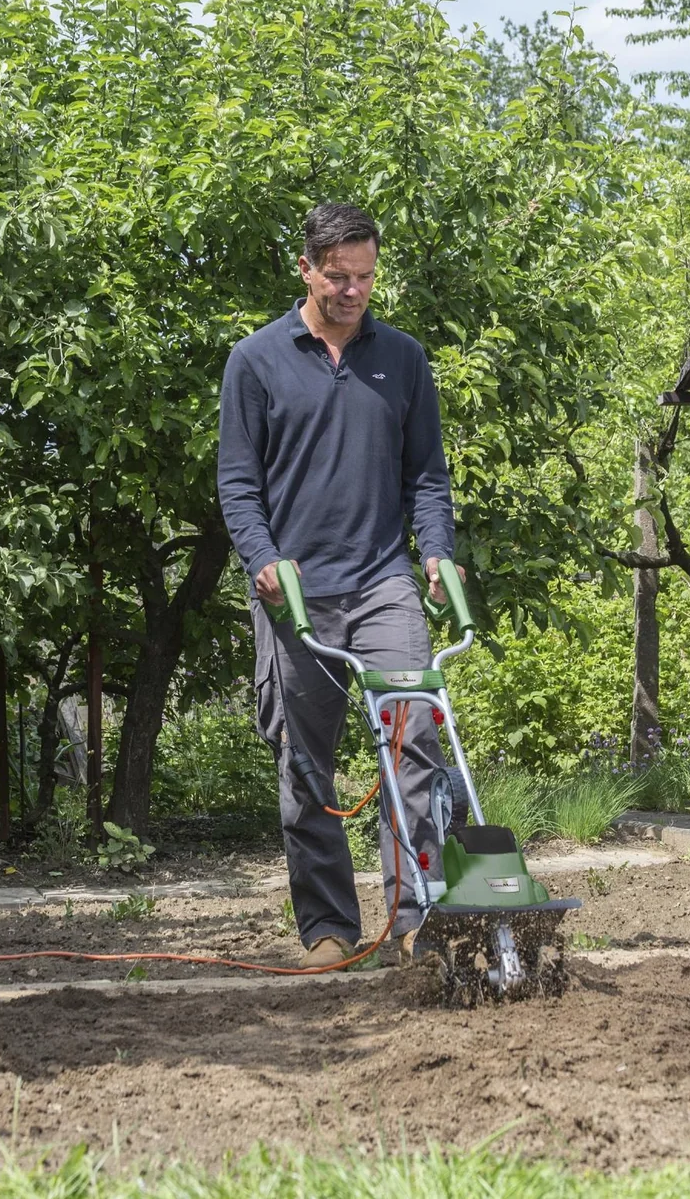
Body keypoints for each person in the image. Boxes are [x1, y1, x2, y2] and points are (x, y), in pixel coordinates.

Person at [217, 202, 463, 968]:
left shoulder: (403, 358)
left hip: (385, 580)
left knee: (414, 743)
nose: (353, 291)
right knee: (304, 762)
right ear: (306, 269)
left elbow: (426, 473)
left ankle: (413, 916)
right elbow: (237, 484)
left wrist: (436, 552)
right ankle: (329, 929)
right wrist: (260, 557)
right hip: (296, 590)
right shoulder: (256, 361)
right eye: (337, 277)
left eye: (365, 276)